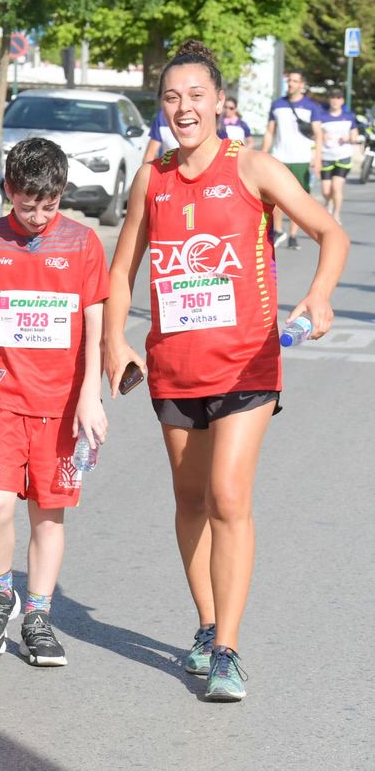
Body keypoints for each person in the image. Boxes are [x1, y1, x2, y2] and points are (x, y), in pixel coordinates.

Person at [104, 40, 346, 702]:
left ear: (218, 102)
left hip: (246, 362)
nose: (183, 108)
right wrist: (111, 342)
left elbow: (332, 233)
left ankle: (230, 650)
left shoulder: (254, 168)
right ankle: (209, 625)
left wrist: (319, 294)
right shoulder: (151, 180)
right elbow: (121, 270)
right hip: (174, 367)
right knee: (190, 501)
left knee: (229, 498)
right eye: (171, 98)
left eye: (195, 96)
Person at [0, 138, 108, 668]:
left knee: (49, 514)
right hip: (3, 397)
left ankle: (37, 616)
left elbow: (94, 320)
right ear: (8, 192)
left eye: (50, 204)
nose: (39, 215)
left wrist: (91, 394)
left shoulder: (83, 242)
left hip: (62, 404)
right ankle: (0, 596)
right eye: (27, 204)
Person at [260, 69, 327, 249]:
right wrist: (264, 152)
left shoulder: (311, 106)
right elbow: (269, 131)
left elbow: (318, 134)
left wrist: (318, 159)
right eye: (289, 81)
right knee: (276, 197)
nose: (291, 84)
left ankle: (293, 234)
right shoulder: (277, 105)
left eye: (295, 81)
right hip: (279, 157)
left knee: (298, 200)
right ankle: (279, 229)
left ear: (302, 85)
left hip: (301, 158)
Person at [317, 90, 358, 224]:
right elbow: (315, 135)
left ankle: (336, 215)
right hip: (326, 156)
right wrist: (322, 137)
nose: (335, 100)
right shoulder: (322, 117)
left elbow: (355, 136)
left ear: (342, 101)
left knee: (336, 186)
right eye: (332, 97)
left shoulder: (349, 117)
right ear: (329, 100)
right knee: (325, 189)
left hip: (343, 156)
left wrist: (349, 138)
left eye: (338, 98)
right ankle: (328, 203)